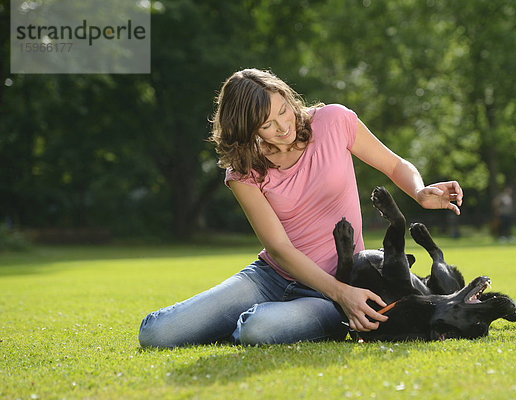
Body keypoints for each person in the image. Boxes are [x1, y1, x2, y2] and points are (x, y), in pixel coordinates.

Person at [138, 68, 463, 347]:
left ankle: (259, 323)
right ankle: (240, 322)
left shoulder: (335, 121)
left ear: (287, 97)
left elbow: (394, 165)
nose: (283, 125)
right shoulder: (243, 171)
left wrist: (420, 191)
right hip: (271, 277)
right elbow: (278, 248)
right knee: (156, 334)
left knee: (258, 329)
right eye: (266, 124)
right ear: (247, 130)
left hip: (338, 282)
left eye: (283, 109)